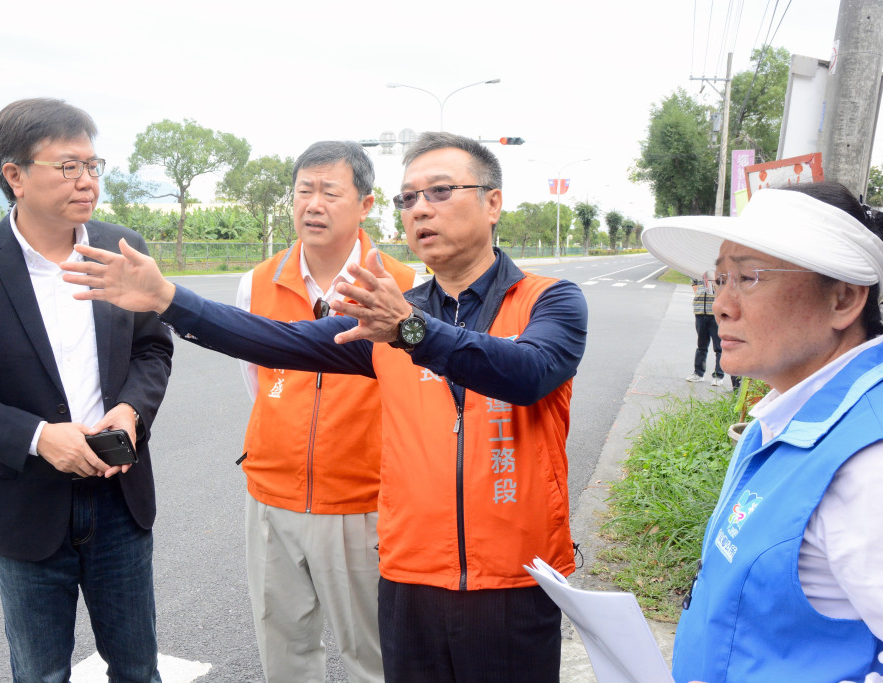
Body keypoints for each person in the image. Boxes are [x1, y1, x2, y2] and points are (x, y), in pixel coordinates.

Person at [62, 131, 589, 683]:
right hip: (410, 576)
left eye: (439, 192)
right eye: (408, 199)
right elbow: (276, 341)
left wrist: (409, 331)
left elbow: (529, 374)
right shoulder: (389, 316)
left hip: (512, 579)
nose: (420, 210)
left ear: (493, 201)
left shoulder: (546, 299)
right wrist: (169, 300)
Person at [0, 98, 174, 683]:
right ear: (15, 176)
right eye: (68, 166)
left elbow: (153, 349)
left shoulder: (121, 248)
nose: (87, 181)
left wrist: (131, 409)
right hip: (23, 504)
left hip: (118, 496)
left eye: (93, 164)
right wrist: (36, 437)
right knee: (40, 673)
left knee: (137, 669)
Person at [642, 182, 883, 682]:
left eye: (750, 278)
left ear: (843, 299)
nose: (722, 305)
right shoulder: (793, 410)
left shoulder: (872, 463)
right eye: (721, 278)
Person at [235, 140, 419, 682]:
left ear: (365, 205)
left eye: (329, 192)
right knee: (284, 651)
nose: (313, 204)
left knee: (376, 656)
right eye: (303, 191)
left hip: (366, 505)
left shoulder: (405, 287)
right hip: (272, 500)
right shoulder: (257, 282)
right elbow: (258, 383)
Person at [687, 274, 726, 386]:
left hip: (714, 314)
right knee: (701, 345)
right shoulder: (696, 271)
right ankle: (698, 373)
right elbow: (694, 285)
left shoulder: (716, 273)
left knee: (718, 347)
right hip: (699, 312)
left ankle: (718, 375)